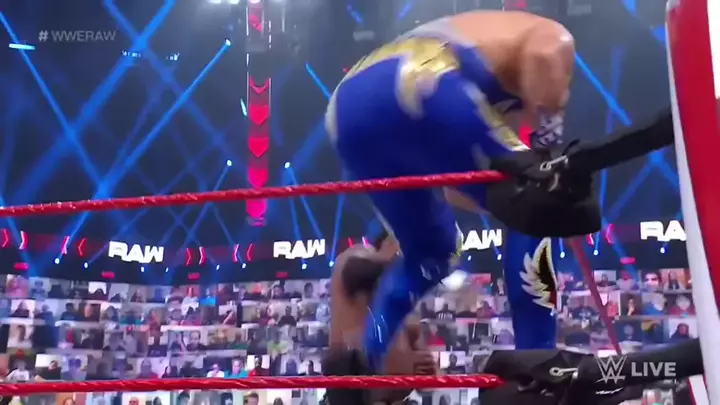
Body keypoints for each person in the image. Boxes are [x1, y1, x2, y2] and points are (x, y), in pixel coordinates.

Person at [327, 10, 582, 372]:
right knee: (537, 205)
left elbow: (457, 187)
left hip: (346, 109)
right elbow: (549, 48)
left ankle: (366, 367)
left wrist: (518, 200)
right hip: (419, 72)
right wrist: (549, 154)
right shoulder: (549, 39)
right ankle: (538, 363)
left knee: (434, 253)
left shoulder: (488, 95)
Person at [326, 232, 437, 404]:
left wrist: (421, 366)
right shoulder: (355, 259)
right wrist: (386, 258)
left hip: (394, 396)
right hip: (353, 380)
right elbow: (355, 271)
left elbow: (428, 378)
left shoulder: (407, 312)